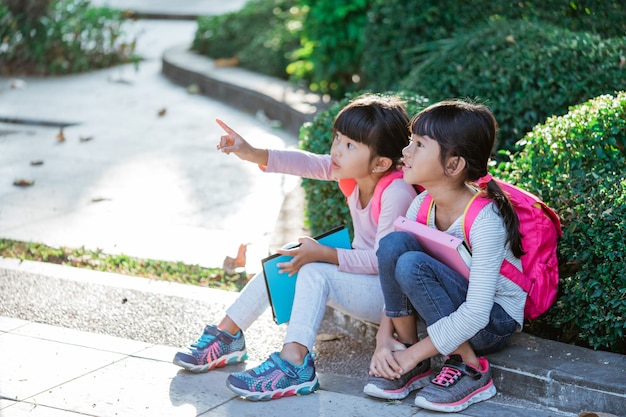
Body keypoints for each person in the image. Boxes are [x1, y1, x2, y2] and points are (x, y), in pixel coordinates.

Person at [173, 94, 418, 401]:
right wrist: (251, 153)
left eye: (350, 145)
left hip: (389, 298)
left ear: (381, 163)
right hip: (364, 280)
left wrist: (324, 254)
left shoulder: (395, 192)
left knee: (315, 269)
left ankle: (295, 364)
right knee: (294, 251)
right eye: (338, 138)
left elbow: (386, 262)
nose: (336, 150)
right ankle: (228, 335)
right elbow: (307, 162)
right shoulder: (356, 174)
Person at [363, 100, 525, 413]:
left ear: (453, 165)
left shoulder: (484, 219)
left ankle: (470, 367)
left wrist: (412, 355)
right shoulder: (422, 204)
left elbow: (477, 314)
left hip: (492, 321)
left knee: (411, 263)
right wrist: (385, 340)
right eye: (411, 141)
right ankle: (409, 352)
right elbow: (393, 268)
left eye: (419, 144)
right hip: (451, 304)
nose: (406, 151)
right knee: (393, 246)